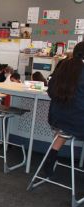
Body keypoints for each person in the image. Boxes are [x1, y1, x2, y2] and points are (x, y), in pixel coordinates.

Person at [42, 41, 84, 177]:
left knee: (64, 127)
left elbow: (51, 91)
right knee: (70, 122)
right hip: (77, 122)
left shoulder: (63, 66)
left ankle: (52, 155)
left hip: (56, 118)